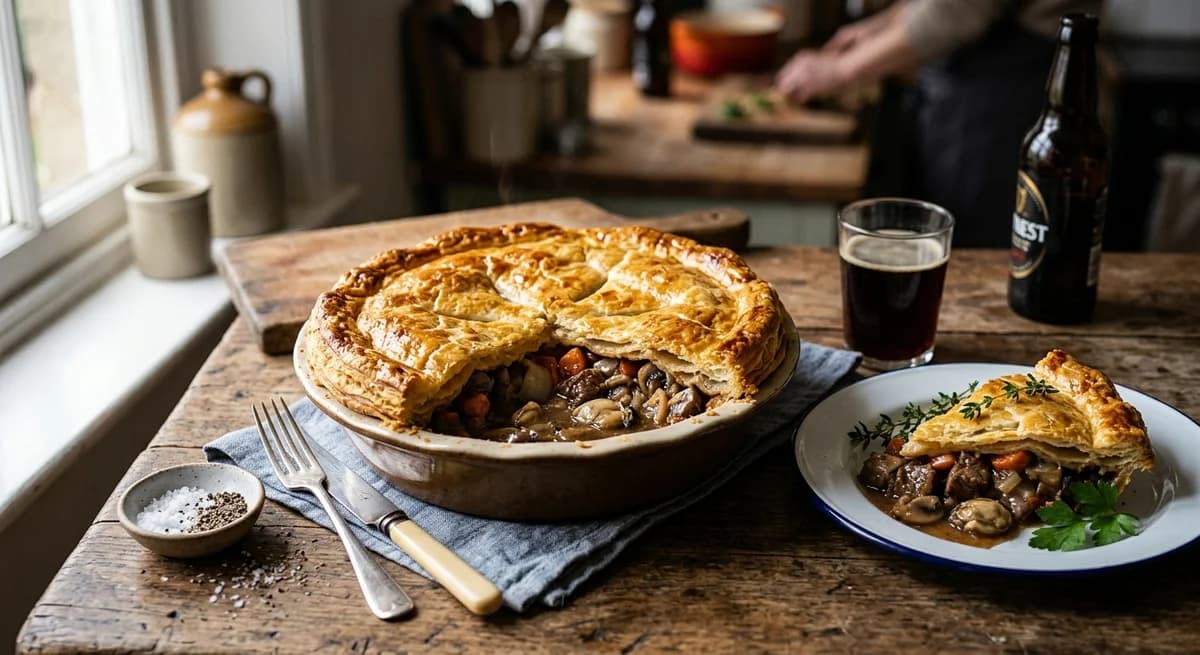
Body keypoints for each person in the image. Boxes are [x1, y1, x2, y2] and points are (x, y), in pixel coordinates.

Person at [776, 0, 1102, 247]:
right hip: (968, 89)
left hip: (1004, 96)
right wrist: (880, 27)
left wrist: (840, 71)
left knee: (977, 243)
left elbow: (960, 8)